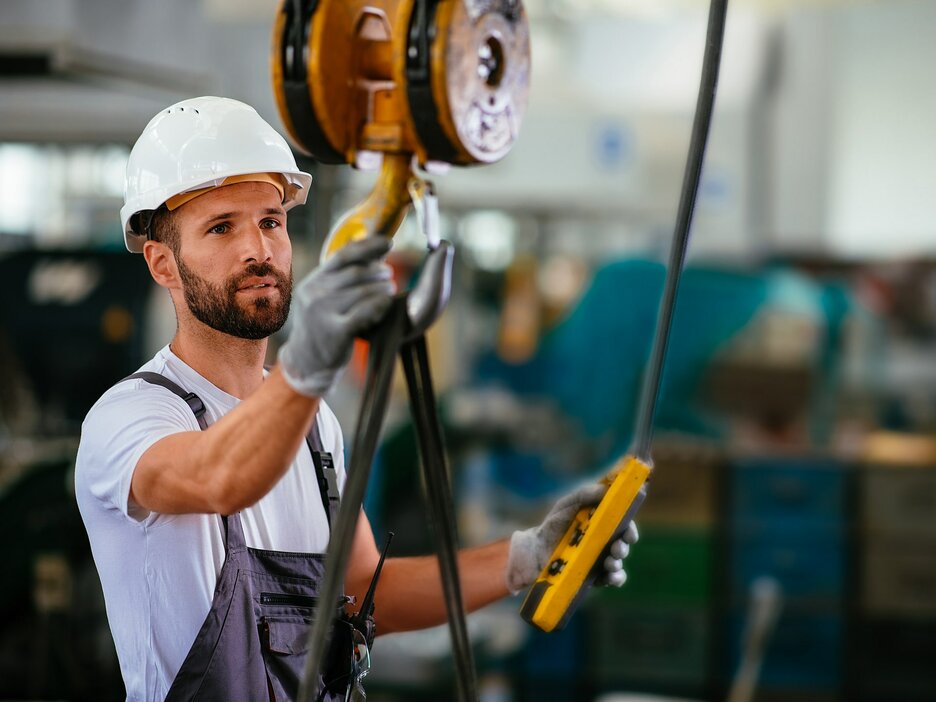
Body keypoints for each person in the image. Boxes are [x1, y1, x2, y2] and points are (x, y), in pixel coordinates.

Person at [75, 96, 638, 701]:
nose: (257, 250)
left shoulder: (314, 426)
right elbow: (219, 476)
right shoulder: (130, 416)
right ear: (162, 264)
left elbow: (370, 590)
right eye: (221, 228)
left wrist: (530, 556)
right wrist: (309, 361)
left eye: (270, 221)